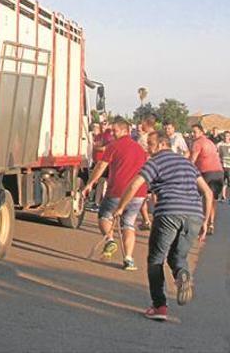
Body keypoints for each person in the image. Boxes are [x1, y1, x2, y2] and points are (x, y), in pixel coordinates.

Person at [112, 130, 212, 321]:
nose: (147, 148)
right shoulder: (188, 164)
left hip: (169, 212)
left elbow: (135, 185)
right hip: (194, 215)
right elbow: (207, 192)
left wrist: (120, 207)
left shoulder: (155, 162)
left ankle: (160, 307)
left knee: (156, 259)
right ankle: (182, 274)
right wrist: (206, 222)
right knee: (178, 257)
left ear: (161, 145)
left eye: (150, 144)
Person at [81, 117, 148, 270]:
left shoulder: (113, 146)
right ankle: (129, 258)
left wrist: (90, 183)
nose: (113, 134)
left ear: (125, 131)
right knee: (129, 224)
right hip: (138, 193)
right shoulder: (139, 149)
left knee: (104, 216)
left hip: (117, 190)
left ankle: (110, 240)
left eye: (115, 131)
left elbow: (100, 167)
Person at [189, 123, 223, 234]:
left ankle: (202, 222)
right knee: (212, 199)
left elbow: (192, 161)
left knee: (199, 198)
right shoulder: (210, 142)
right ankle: (210, 223)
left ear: (201, 132)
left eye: (195, 132)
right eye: (192, 132)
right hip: (218, 173)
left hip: (206, 172)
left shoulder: (198, 142)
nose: (193, 134)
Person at [217, 131, 230, 201]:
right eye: (225, 136)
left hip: (229, 166)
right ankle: (223, 196)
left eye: (228, 136)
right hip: (222, 165)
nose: (226, 137)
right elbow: (217, 154)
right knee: (223, 181)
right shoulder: (220, 144)